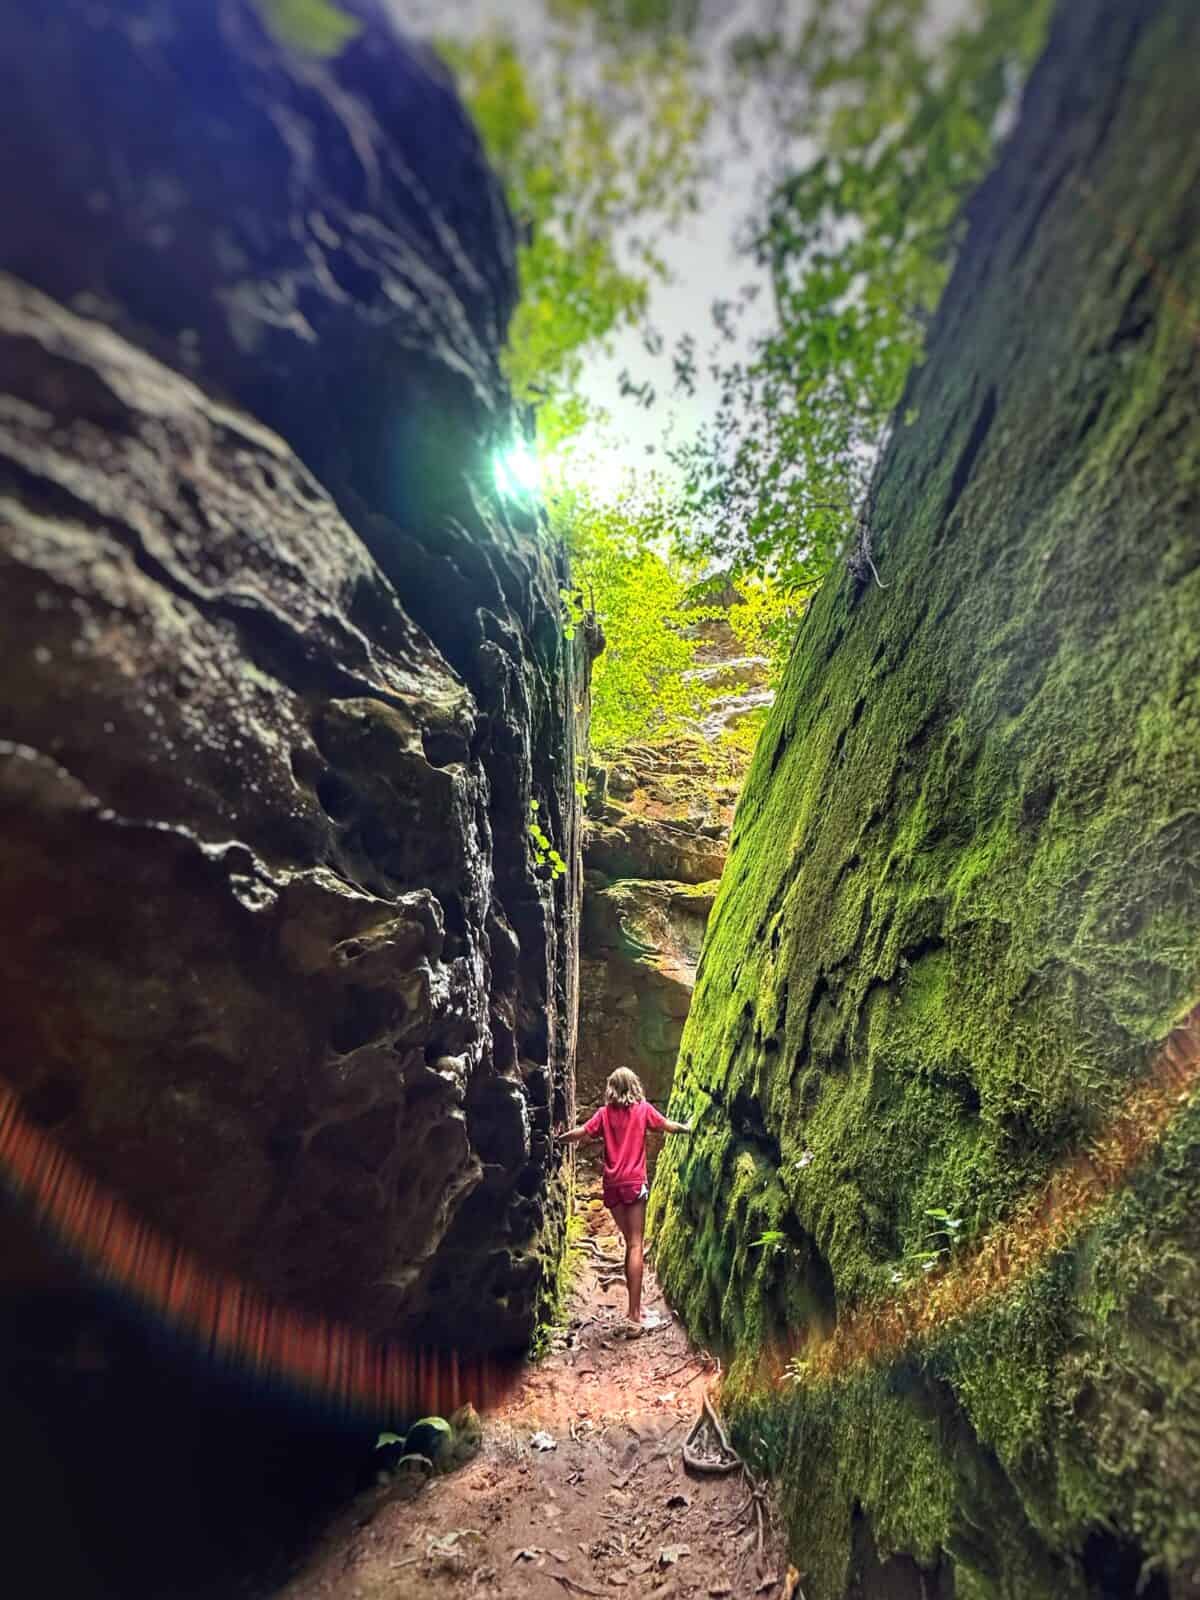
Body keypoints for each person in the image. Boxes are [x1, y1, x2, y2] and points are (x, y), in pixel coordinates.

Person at [556, 1068, 692, 1336]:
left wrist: (560, 1138)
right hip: (633, 1184)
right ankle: (634, 1315)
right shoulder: (642, 1110)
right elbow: (668, 1126)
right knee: (636, 1245)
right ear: (634, 1086)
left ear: (611, 1088)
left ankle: (636, 1310)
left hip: (612, 1188)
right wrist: (687, 1128)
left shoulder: (604, 1115)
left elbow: (582, 1132)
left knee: (630, 1245)